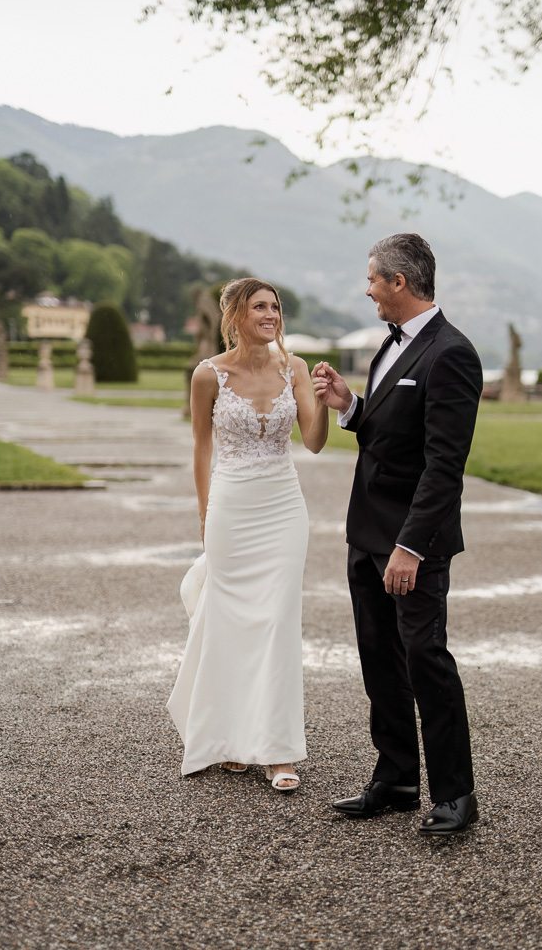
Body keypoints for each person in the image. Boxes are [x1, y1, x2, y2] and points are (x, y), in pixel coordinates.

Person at [312, 233, 482, 834]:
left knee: (424, 657)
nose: (368, 291)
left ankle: (456, 794)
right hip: (366, 532)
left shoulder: (451, 353)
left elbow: (443, 465)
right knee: (378, 657)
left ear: (400, 283)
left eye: (373, 280)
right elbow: (387, 432)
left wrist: (410, 546)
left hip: (413, 543)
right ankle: (396, 778)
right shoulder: (390, 346)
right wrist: (349, 405)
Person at [168, 278, 328, 791]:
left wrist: (323, 400)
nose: (272, 315)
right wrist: (203, 512)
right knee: (232, 621)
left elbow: (316, 441)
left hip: (283, 506)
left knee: (278, 621)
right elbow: (200, 448)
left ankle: (278, 751)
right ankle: (232, 739)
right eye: (260, 306)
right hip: (231, 507)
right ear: (235, 314)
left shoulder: (295, 368)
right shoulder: (207, 375)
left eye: (276, 307)